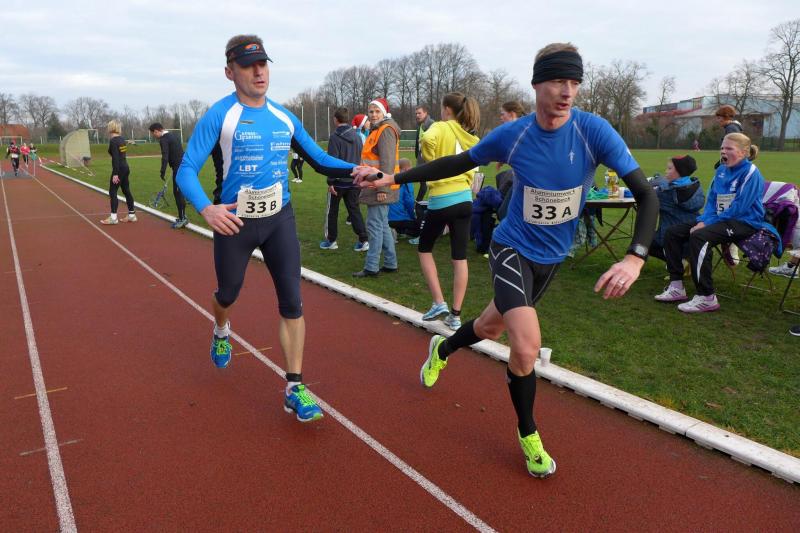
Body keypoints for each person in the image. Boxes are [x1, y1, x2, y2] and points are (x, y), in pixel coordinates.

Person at [354, 42, 658, 478]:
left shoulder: (593, 132)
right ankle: (528, 433)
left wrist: (635, 258)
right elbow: (456, 163)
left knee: (489, 327)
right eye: (558, 81)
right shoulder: (513, 135)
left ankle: (443, 347)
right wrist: (395, 177)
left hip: (551, 259)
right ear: (537, 84)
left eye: (574, 83)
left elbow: (646, 194)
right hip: (511, 248)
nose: (567, 92)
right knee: (526, 347)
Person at [175, 34, 357, 422]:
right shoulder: (220, 116)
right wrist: (206, 209)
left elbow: (320, 160)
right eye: (248, 66)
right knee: (227, 293)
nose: (259, 72)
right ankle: (221, 328)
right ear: (230, 72)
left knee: (292, 302)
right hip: (235, 223)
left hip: (279, 220)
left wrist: (357, 170)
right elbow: (186, 169)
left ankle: (295, 387)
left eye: (263, 64)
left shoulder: (284, 117)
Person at [656, 133, 779, 312]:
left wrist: (707, 224)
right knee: (673, 232)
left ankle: (706, 296)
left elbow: (739, 207)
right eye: (722, 148)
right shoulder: (721, 170)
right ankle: (676, 286)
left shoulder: (751, 173)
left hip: (744, 222)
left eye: (729, 148)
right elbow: (712, 201)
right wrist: (704, 220)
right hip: (720, 219)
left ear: (744, 152)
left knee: (699, 237)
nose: (723, 152)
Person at [416, 92, 481, 330]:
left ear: (446, 109)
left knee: (424, 248)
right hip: (465, 199)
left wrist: (432, 161)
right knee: (459, 257)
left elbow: (427, 139)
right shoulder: (472, 137)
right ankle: (455, 315)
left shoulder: (441, 126)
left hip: (442, 197)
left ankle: (438, 302)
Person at [353, 97, 400, 278]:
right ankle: (390, 263)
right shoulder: (378, 129)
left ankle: (371, 267)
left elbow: (387, 162)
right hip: (376, 184)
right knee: (382, 225)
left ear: (384, 113)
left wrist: (382, 189)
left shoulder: (385, 130)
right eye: (371, 111)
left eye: (377, 111)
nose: (373, 114)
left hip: (379, 186)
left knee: (374, 226)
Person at [320, 107, 369, 252]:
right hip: (354, 180)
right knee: (354, 211)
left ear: (335, 119)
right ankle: (364, 240)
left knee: (332, 212)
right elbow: (361, 158)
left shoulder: (335, 137)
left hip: (339, 182)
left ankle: (331, 240)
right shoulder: (358, 136)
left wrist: (331, 181)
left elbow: (332, 161)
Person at [648, 155, 705, 261]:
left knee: (642, 241)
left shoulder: (666, 192)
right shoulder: (695, 186)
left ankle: (677, 260)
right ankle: (685, 259)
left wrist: (652, 182)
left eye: (669, 168)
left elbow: (645, 195)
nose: (666, 171)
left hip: (670, 238)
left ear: (680, 172)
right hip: (695, 236)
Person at [149, 123, 189, 229]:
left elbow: (165, 156)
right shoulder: (173, 135)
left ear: (156, 131)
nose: (154, 136)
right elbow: (180, 151)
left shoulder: (163, 139)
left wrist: (162, 171)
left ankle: (182, 218)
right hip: (182, 166)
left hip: (179, 168)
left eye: (153, 133)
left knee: (178, 193)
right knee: (179, 192)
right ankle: (183, 216)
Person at [100, 120, 136, 225]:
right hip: (125, 167)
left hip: (119, 169)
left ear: (111, 128)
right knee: (126, 190)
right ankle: (132, 215)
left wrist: (115, 173)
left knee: (113, 191)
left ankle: (113, 218)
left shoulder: (114, 141)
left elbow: (115, 158)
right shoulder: (122, 139)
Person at [388, 158, 421, 243]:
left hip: (387, 218)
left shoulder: (390, 178)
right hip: (399, 218)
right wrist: (413, 217)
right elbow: (409, 203)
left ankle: (395, 229)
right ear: (406, 169)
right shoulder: (406, 181)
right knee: (421, 226)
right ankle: (400, 231)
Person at [414, 105, 435, 202]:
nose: (417, 115)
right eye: (416, 113)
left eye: (419, 113)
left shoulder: (432, 125)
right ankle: (419, 203)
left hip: (429, 160)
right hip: (421, 159)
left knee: (427, 183)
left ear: (426, 113)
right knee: (423, 183)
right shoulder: (420, 125)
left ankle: (418, 203)